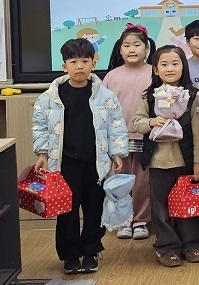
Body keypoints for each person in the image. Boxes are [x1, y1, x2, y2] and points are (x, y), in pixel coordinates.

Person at [32, 38, 128, 274]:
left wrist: (117, 153)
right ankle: (71, 255)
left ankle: (91, 251)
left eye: (85, 61)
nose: (79, 66)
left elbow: (116, 125)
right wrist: (42, 153)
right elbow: (40, 127)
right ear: (64, 65)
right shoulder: (49, 97)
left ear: (93, 64)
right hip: (64, 164)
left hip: (97, 163)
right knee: (67, 210)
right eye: (73, 61)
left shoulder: (105, 96)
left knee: (95, 209)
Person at [132, 45, 199, 267]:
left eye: (175, 63)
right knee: (161, 207)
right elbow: (137, 122)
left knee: (189, 204)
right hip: (158, 162)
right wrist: (152, 122)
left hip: (186, 161)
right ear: (156, 69)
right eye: (164, 64)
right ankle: (166, 247)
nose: (170, 68)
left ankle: (191, 245)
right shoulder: (150, 96)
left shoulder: (194, 96)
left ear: (184, 67)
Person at [103, 23, 156, 240]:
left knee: (143, 181)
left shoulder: (154, 72)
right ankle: (123, 220)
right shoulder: (111, 76)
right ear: (120, 49)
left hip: (145, 137)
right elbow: (102, 109)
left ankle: (141, 221)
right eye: (126, 45)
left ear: (147, 48)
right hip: (118, 139)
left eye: (137, 44)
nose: (131, 49)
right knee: (119, 180)